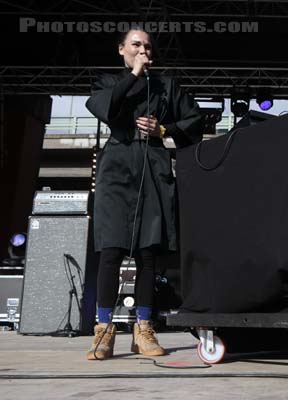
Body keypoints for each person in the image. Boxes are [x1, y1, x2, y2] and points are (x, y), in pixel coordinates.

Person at [85, 28, 204, 360]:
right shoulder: (105, 81)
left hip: (153, 164)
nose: (142, 50)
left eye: (147, 46)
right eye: (135, 44)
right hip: (117, 166)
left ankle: (143, 328)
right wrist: (135, 73)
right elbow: (106, 109)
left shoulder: (166, 85)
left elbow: (194, 120)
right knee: (110, 249)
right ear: (121, 49)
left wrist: (165, 129)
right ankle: (104, 329)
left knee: (147, 253)